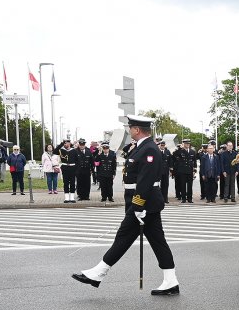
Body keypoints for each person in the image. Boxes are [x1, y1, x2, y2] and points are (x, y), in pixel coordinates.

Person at [72, 115, 179, 296]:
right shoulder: (140, 147)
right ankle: (170, 280)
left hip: (144, 203)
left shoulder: (150, 149)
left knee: (124, 237)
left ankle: (98, 273)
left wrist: (138, 206)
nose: (129, 131)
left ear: (137, 129)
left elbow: (146, 180)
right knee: (157, 241)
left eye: (130, 128)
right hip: (143, 202)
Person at [172, 138, 196, 203]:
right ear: (183, 144)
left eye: (188, 143)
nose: (187, 144)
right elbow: (174, 155)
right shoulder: (180, 151)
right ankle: (183, 198)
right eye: (186, 143)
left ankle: (189, 198)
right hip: (182, 170)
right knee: (182, 185)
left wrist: (194, 170)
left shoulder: (192, 151)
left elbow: (194, 162)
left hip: (189, 170)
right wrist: (180, 148)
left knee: (190, 185)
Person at [55, 138, 78, 203]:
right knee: (66, 183)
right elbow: (55, 151)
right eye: (64, 143)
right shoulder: (61, 150)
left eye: (67, 143)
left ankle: (72, 197)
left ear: (69, 143)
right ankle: (66, 198)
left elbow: (77, 160)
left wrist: (76, 169)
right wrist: (61, 143)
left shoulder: (74, 150)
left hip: (72, 167)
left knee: (72, 183)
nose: (65, 144)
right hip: (65, 167)